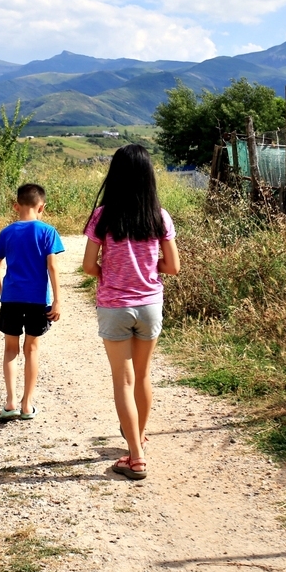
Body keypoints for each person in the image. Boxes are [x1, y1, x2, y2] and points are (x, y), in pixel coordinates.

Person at [82, 144, 180, 480]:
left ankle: (135, 456)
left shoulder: (103, 216)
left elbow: (87, 266)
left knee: (122, 380)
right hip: (150, 304)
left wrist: (109, 275)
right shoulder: (159, 215)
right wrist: (148, 271)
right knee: (142, 376)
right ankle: (138, 436)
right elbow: (173, 266)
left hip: (114, 306)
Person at [0, 183, 64, 421]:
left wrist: (4, 292)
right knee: (31, 349)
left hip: (11, 298)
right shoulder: (47, 232)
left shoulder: (6, 232)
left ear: (16, 206)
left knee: (10, 349)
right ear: (42, 207)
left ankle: (10, 401)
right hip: (37, 300)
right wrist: (57, 301)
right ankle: (26, 405)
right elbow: (52, 267)